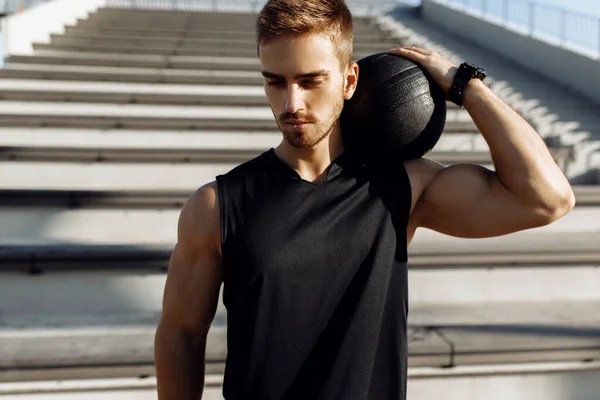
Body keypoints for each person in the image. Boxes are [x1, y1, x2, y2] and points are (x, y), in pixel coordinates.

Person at [154, 0, 575, 398]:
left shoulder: (403, 186)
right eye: (275, 81)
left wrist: (465, 84)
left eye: (310, 81)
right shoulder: (216, 206)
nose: (291, 103)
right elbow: (181, 334)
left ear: (349, 80)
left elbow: (547, 199)